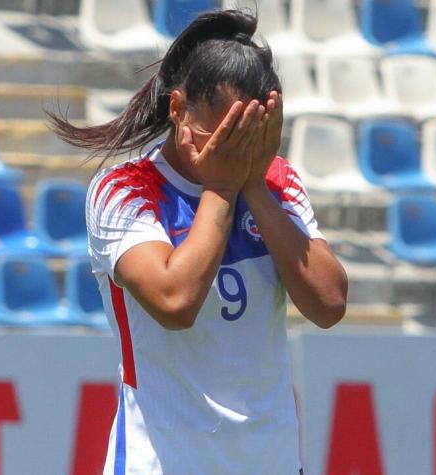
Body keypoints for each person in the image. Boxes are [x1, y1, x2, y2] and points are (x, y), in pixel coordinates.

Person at [49, 9, 348, 474]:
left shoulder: (276, 182)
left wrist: (252, 187)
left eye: (249, 134)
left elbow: (329, 303)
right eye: (223, 134)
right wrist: (223, 189)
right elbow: (175, 302)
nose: (234, 149)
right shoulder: (124, 190)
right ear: (177, 109)